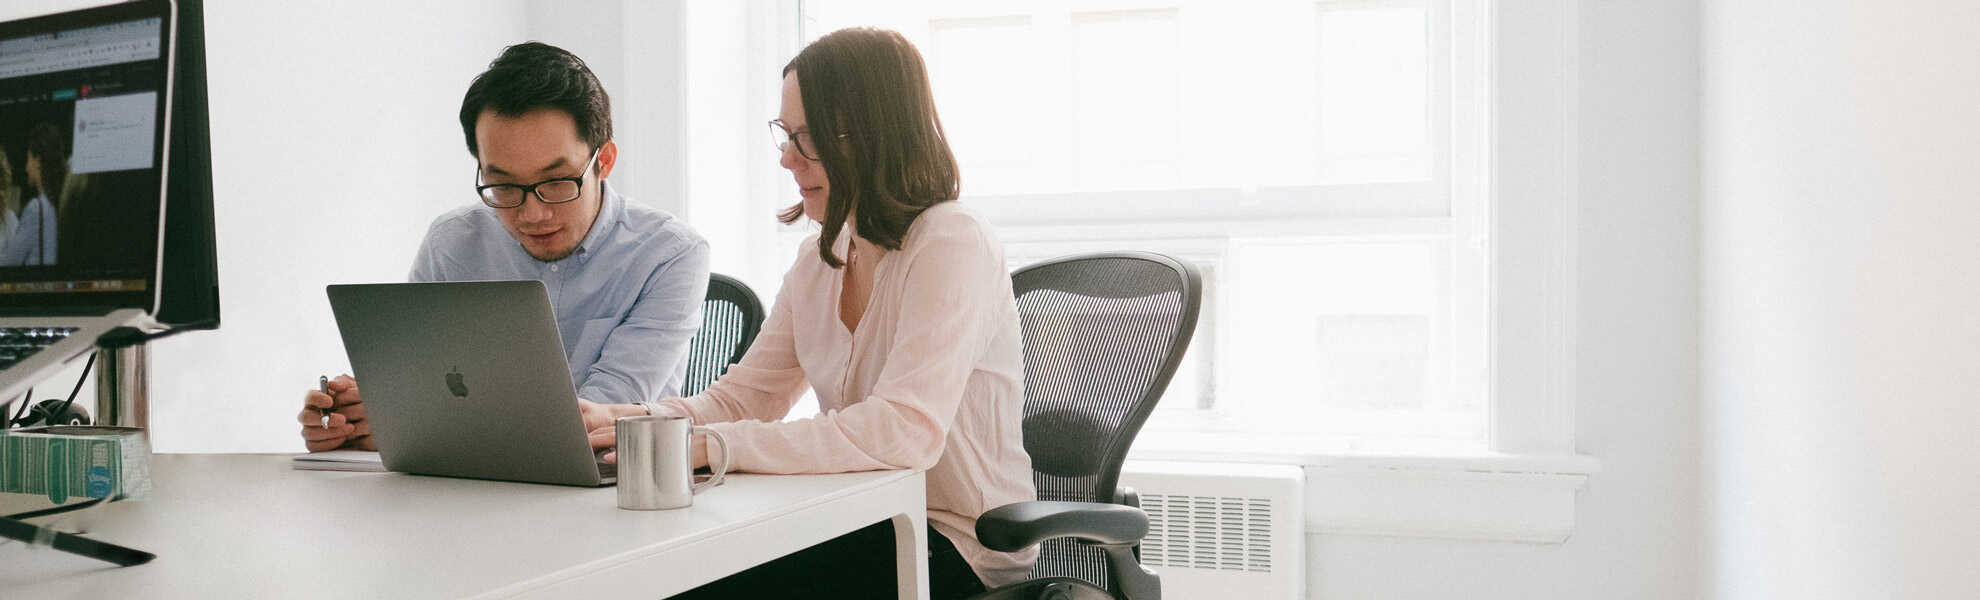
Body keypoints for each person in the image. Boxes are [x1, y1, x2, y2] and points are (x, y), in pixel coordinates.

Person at [581, 28, 1036, 598]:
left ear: (875, 137)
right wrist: (633, 419)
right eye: (785, 133)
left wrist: (716, 445)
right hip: (860, 516)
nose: (786, 156)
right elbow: (744, 399)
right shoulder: (818, 260)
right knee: (667, 567)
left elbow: (905, 432)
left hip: (956, 541)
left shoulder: (951, 240)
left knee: (707, 583)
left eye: (808, 136)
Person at [298, 42, 711, 452]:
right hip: (464, 480)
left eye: (556, 183)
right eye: (504, 186)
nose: (532, 214)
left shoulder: (670, 255)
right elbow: (419, 385)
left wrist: (418, 420)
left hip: (613, 482)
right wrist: (361, 422)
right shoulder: (452, 243)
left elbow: (599, 420)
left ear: (604, 161)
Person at [0, 125, 65, 266]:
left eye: (28, 159)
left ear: (38, 161)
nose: (26, 168)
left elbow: (11, 261)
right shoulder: (58, 203)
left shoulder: (36, 208)